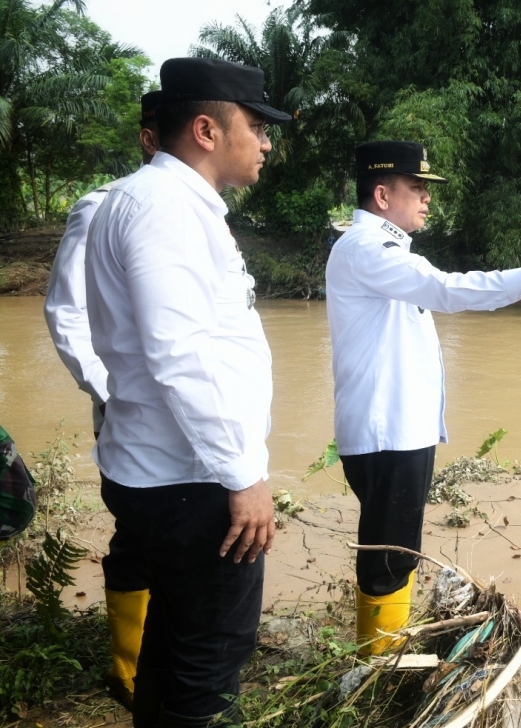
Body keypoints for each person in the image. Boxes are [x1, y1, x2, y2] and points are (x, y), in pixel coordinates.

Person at [326, 141, 521, 654]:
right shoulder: (368, 249)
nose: (426, 199)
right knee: (391, 555)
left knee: (397, 549)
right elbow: (450, 290)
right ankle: (376, 666)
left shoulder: (381, 250)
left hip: (395, 429)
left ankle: (382, 653)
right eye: (417, 188)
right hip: (386, 431)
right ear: (383, 194)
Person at [85, 57, 290, 728]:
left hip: (168, 474)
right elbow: (181, 355)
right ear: (206, 128)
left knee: (173, 649)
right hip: (192, 483)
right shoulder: (163, 209)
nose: (265, 141)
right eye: (256, 125)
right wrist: (242, 472)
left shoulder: (163, 203)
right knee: (210, 665)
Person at [43, 89, 161, 708]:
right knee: (136, 531)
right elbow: (65, 312)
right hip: (128, 405)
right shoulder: (102, 207)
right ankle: (127, 671)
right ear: (148, 139)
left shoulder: (204, 213)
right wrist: (108, 389)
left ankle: (160, 656)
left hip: (183, 411)